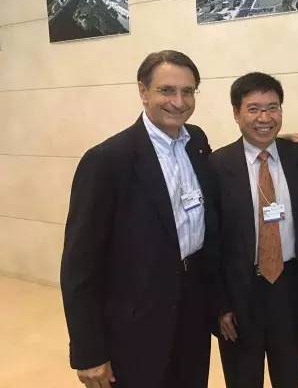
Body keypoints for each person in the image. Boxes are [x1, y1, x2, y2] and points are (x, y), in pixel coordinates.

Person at [60, 50, 216, 388]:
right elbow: (79, 267)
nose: (178, 102)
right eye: (166, 90)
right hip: (135, 323)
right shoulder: (107, 160)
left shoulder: (197, 142)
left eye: (188, 91)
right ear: (143, 92)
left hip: (192, 310)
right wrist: (88, 351)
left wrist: (272, 145)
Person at [209, 72, 298, 388]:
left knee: (289, 377)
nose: (264, 118)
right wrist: (220, 304)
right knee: (242, 379)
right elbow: (211, 243)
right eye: (253, 109)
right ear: (236, 113)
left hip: (289, 289)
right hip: (240, 292)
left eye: (272, 108)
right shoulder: (215, 166)